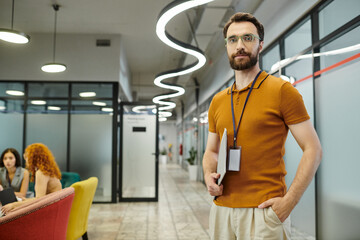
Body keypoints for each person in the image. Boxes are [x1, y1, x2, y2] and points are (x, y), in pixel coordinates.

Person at [202, 12, 322, 240]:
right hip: (221, 210)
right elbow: (211, 150)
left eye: (248, 38)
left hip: (264, 212)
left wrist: (289, 202)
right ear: (226, 46)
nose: (240, 45)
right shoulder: (217, 101)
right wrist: (208, 174)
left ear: (260, 45)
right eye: (233, 39)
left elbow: (313, 149)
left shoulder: (281, 91)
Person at [1, 143, 62, 215]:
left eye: (27, 157)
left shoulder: (41, 173)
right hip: (57, 207)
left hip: (51, 210)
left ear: (34, 157)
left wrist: (13, 205)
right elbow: (43, 197)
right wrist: (27, 200)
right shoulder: (47, 171)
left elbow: (39, 201)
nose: (26, 161)